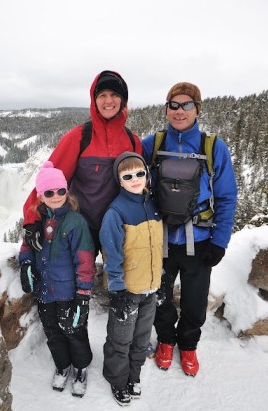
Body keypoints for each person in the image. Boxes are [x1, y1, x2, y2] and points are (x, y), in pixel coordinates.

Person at [141, 82, 238, 377]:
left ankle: (188, 345)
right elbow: (130, 180)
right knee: (160, 297)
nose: (179, 111)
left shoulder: (212, 147)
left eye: (186, 105)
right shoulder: (153, 144)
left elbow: (226, 196)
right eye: (174, 105)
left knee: (195, 302)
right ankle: (166, 341)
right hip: (161, 240)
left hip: (200, 240)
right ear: (167, 109)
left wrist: (220, 241)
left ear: (197, 109)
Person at [23, 70, 142, 255]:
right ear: (94, 101)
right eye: (102, 95)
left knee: (120, 283)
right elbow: (49, 179)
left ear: (123, 100)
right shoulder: (79, 138)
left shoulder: (132, 141)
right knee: (77, 281)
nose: (108, 101)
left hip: (119, 227)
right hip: (82, 227)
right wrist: (31, 221)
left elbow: (141, 187)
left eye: (115, 95)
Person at [18, 160, 96, 398]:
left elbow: (85, 262)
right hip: (45, 291)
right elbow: (27, 245)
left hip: (68, 292)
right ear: (41, 196)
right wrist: (26, 263)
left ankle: (80, 368)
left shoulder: (75, 223)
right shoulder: (38, 222)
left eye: (61, 190)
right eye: (49, 192)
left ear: (66, 191)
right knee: (53, 331)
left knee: (74, 330)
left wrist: (83, 296)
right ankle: (63, 365)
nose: (56, 196)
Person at [99, 152, 163, 406]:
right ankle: (117, 379)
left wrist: (160, 277)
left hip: (151, 287)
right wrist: (117, 290)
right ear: (120, 180)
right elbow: (111, 253)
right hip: (128, 288)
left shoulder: (153, 204)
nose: (135, 179)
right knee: (120, 338)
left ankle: (133, 375)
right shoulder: (115, 212)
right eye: (128, 176)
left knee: (142, 337)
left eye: (140, 173)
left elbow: (157, 246)